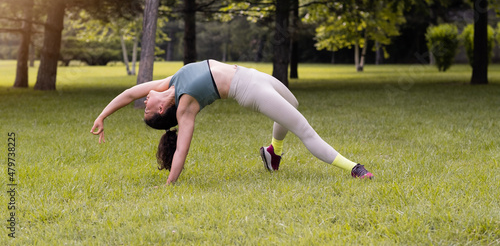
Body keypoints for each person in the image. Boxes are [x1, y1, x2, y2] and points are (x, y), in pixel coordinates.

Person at [90, 59, 374, 185]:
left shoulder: (170, 82)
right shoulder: (185, 108)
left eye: (143, 107)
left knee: (294, 104)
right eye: (146, 110)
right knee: (304, 129)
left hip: (251, 73)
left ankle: (273, 152)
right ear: (162, 108)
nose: (143, 103)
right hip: (250, 90)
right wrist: (169, 183)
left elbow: (128, 94)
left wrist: (103, 116)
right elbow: (181, 151)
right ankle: (355, 169)